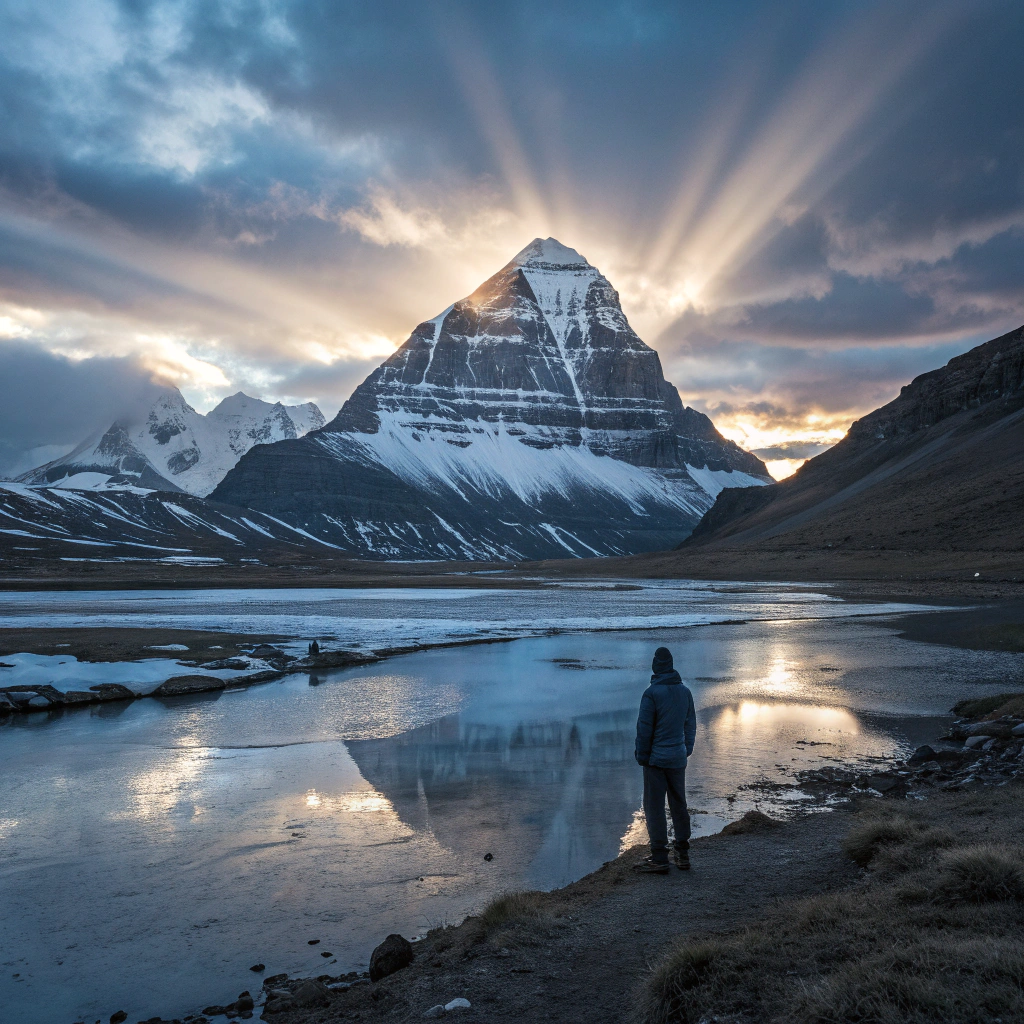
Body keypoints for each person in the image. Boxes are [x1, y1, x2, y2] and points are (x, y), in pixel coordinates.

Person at [633, 646, 696, 874]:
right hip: (677, 758)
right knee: (679, 805)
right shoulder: (685, 692)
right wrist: (685, 749)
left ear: (655, 667)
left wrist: (643, 756)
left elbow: (644, 730)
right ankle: (682, 853)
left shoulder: (651, 694)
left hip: (656, 761)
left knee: (655, 808)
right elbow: (690, 725)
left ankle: (660, 858)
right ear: (671, 666)